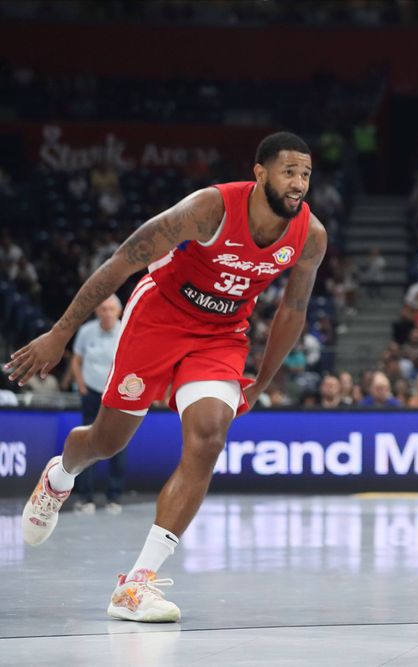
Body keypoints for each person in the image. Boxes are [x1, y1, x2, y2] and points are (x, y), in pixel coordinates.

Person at [7, 132, 327, 623]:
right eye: (289, 171)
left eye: (305, 173)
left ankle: (138, 584)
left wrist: (260, 381)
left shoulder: (310, 234)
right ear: (259, 173)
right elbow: (123, 261)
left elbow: (294, 309)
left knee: (208, 437)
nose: (299, 183)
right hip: (158, 318)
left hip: (221, 335)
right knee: (107, 442)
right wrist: (60, 333)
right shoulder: (209, 208)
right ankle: (59, 476)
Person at [70, 295, 126, 514]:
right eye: (103, 308)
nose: (107, 313)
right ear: (97, 311)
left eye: (111, 309)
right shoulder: (86, 332)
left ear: (119, 312)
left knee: (118, 445)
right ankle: (86, 498)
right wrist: (81, 385)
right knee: (87, 443)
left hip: (116, 396)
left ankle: (114, 497)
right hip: (91, 394)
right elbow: (76, 359)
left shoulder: (126, 330)